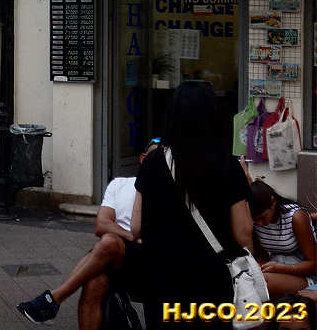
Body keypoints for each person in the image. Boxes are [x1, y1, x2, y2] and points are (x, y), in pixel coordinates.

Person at [130, 81, 255, 327]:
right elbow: (243, 233)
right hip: (211, 283)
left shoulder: (153, 163)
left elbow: (135, 227)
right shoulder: (227, 165)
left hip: (161, 281)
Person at [16, 172, 139, 326]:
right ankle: (53, 302)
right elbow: (101, 225)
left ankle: (54, 299)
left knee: (109, 241)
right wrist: (131, 237)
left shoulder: (163, 189)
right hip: (114, 258)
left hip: (146, 264)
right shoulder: (119, 184)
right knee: (94, 281)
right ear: (141, 160)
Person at [249, 181, 317, 301]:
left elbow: (313, 264)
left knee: (262, 284)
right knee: (250, 281)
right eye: (255, 220)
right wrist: (262, 266)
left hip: (304, 274)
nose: (260, 223)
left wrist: (281, 269)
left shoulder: (296, 217)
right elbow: (261, 257)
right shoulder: (255, 223)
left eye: (262, 217)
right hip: (277, 268)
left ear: (273, 202)